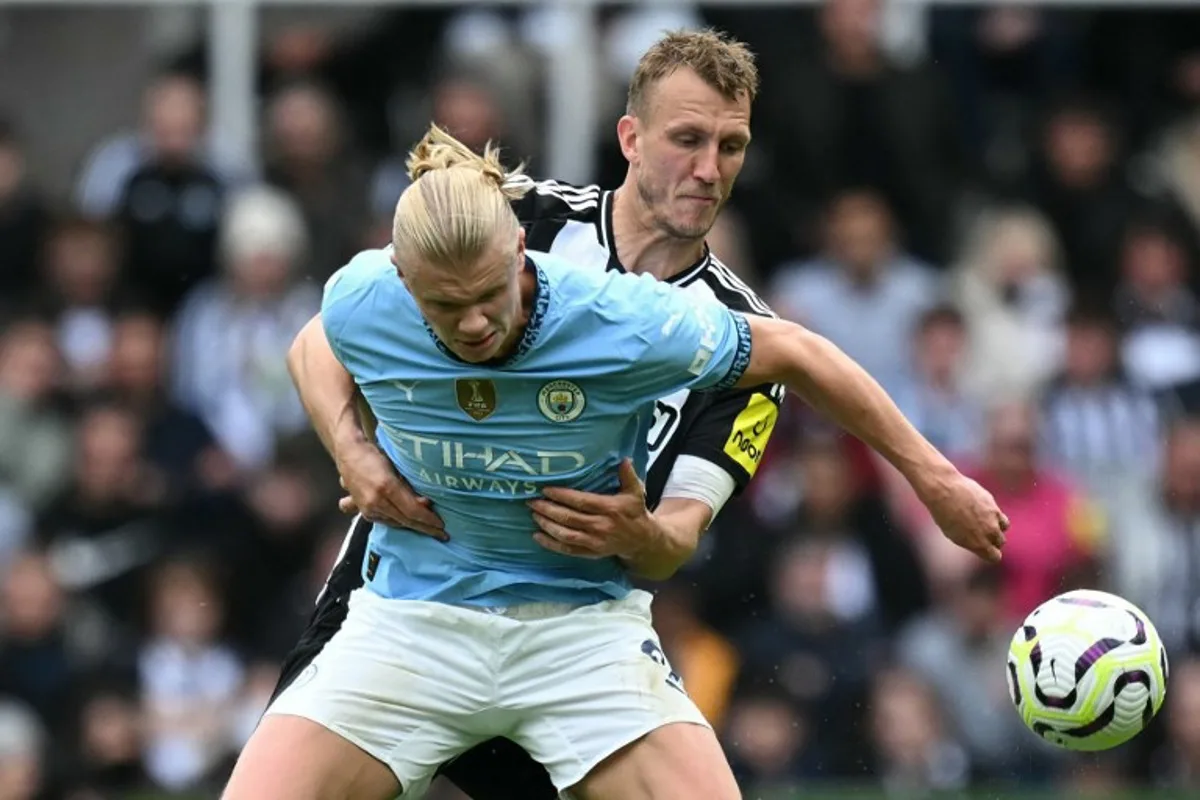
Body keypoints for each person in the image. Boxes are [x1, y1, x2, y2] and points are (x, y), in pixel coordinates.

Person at [223, 122, 1007, 800]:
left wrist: (934, 479)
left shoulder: (620, 320)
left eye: (489, 294)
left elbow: (797, 353)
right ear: (401, 281)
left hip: (579, 635)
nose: (471, 325)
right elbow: (314, 343)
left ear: (519, 248)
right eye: (443, 306)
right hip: (408, 627)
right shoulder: (367, 296)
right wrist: (350, 449)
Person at [277, 29, 786, 799]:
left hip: (565, 627)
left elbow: (676, 541)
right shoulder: (524, 222)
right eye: (687, 139)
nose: (708, 170)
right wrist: (351, 449)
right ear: (631, 138)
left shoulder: (748, 350)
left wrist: (643, 534)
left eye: (731, 145)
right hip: (403, 594)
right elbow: (324, 341)